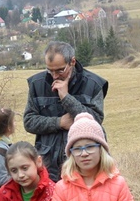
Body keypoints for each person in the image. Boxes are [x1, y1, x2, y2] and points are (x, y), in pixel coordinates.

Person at [23, 41, 108, 182]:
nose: (54, 76)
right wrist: (58, 123)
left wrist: (66, 97)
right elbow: (29, 121)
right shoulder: (36, 84)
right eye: (50, 70)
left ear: (72, 61)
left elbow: (96, 120)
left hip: (83, 163)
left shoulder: (93, 84)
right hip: (48, 165)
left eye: (60, 70)